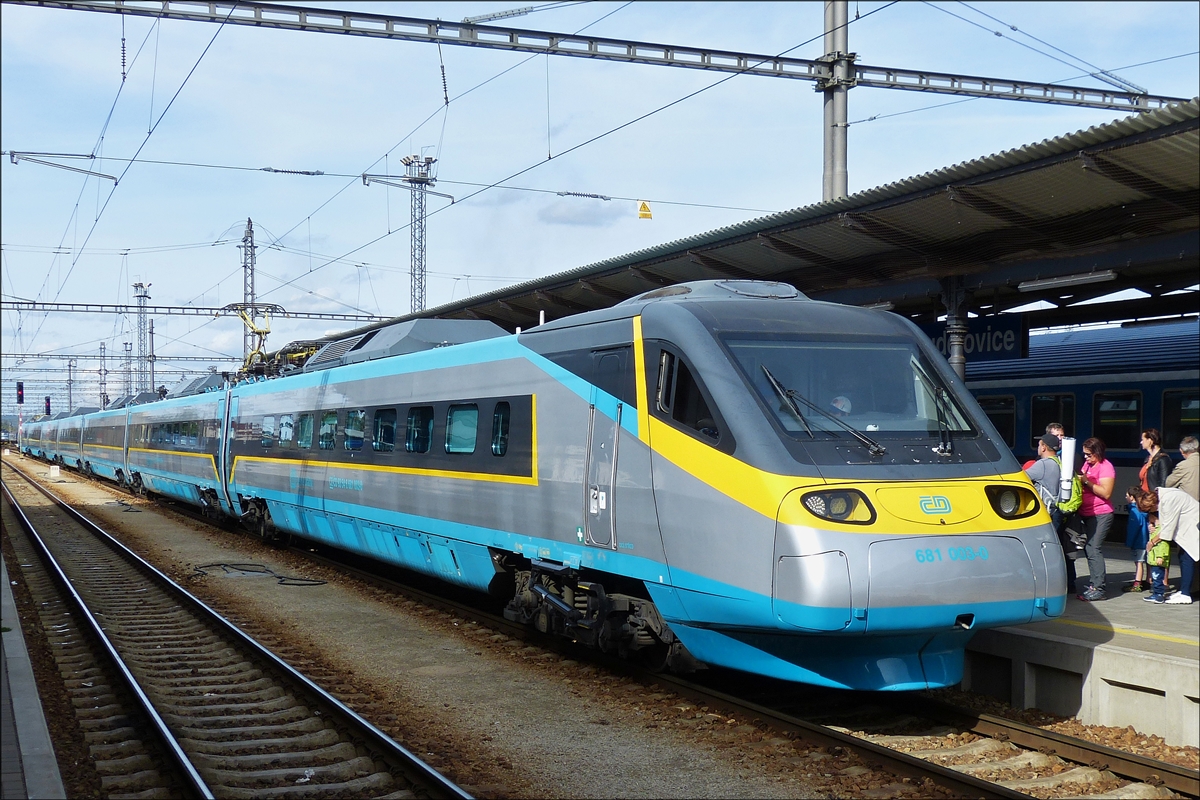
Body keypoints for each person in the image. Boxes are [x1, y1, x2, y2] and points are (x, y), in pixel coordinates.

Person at [1026, 433, 1076, 593]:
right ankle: (1069, 583)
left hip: (1047, 513)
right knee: (1060, 547)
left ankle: (1048, 585)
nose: (1038, 447)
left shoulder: (1043, 465)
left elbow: (1020, 478)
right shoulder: (1061, 462)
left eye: (1039, 444)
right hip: (1059, 511)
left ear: (1044, 447)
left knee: (1044, 550)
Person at [1077, 437, 1116, 601]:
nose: (1085, 458)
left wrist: (1086, 481)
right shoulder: (1088, 465)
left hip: (1101, 513)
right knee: (1088, 548)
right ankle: (1094, 584)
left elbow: (1106, 493)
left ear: (1097, 453)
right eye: (1084, 454)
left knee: (1094, 548)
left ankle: (1099, 588)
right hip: (1086, 512)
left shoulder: (1106, 468)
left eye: (1089, 455)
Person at [1163, 436, 1199, 603]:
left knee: (1187, 553)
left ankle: (1186, 591)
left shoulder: (1183, 466)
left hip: (1190, 517)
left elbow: (1168, 483)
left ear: (1183, 452)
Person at [1153, 484, 1199, 605]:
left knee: (1188, 560)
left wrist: (1152, 542)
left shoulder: (1169, 499)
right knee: (1184, 558)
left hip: (1193, 530)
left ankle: (1185, 594)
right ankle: (1184, 590)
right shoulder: (1167, 496)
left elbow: (1167, 529)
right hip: (1189, 530)